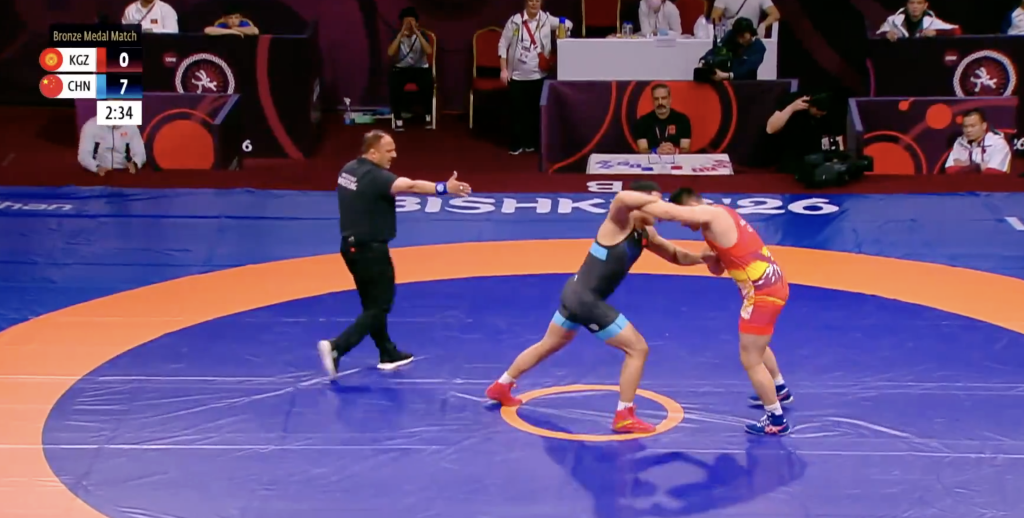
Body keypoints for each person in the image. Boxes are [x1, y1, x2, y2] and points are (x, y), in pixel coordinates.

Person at [486, 181, 711, 433]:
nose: (661, 212)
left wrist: (703, 259)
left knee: (549, 344)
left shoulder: (646, 233)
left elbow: (676, 255)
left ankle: (501, 385)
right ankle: (624, 415)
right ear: (641, 201)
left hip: (576, 294)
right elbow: (622, 197)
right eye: (655, 203)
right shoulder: (618, 223)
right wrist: (655, 203)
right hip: (585, 299)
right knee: (637, 349)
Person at [639, 188, 792, 436]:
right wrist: (709, 258)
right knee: (757, 346)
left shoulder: (714, 215)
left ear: (691, 207)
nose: (684, 225)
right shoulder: (715, 224)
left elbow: (671, 212)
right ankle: (779, 388)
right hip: (770, 286)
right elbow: (719, 269)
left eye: (682, 219)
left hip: (762, 294)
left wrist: (634, 203)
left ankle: (776, 419)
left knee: (750, 358)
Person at [318, 130, 472, 375]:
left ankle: (387, 351)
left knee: (372, 305)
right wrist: (444, 188)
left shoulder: (348, 170)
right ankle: (337, 347)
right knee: (380, 306)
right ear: (372, 153)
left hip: (350, 247)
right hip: (371, 250)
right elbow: (410, 185)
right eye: (389, 151)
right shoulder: (376, 177)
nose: (394, 155)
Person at [498, 0, 573, 155]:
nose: (534, 4)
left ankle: (531, 143)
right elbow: (503, 44)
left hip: (539, 75)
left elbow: (568, 24)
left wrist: (562, 30)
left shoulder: (546, 19)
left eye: (537, 1)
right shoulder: (515, 21)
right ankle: (517, 144)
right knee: (518, 112)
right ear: (526, 2)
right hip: (517, 76)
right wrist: (503, 69)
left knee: (535, 113)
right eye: (531, 1)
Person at [387, 6, 434, 130]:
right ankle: (398, 118)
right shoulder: (396, 35)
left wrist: (417, 32)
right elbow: (390, 53)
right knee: (393, 83)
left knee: (428, 83)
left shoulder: (422, 34)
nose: (409, 25)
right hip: (401, 69)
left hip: (420, 69)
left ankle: (428, 115)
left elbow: (429, 51)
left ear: (417, 23)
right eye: (406, 22)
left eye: (412, 21)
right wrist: (401, 34)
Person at [943, 109, 1012, 174]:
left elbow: (993, 172)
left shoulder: (998, 144)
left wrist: (963, 166)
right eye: (965, 127)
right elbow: (949, 170)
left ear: (984, 126)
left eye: (972, 126)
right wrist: (979, 167)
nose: (968, 130)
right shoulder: (959, 143)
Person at [632, 83, 692, 154]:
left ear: (670, 99)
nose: (660, 102)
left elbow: (686, 149)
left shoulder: (682, 120)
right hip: (652, 160)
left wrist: (675, 151)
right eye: (656, 99)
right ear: (652, 101)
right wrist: (656, 151)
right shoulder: (642, 122)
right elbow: (642, 150)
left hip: (676, 159)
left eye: (663, 98)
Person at [77, 116, 146, 176]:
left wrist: (135, 163)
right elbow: (84, 155)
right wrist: (96, 167)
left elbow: (140, 152)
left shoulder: (131, 126)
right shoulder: (90, 125)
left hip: (125, 171)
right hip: (98, 172)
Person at [877, 0, 959, 40]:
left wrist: (936, 32)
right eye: (911, 3)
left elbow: (956, 30)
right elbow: (877, 34)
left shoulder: (931, 21)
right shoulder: (893, 20)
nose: (915, 6)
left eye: (919, 3)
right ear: (907, 5)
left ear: (925, 5)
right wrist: (886, 35)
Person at [711, 0, 780, 37]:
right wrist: (720, 32)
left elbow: (775, 14)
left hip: (751, 37)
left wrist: (763, 25)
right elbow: (714, 17)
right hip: (730, 38)